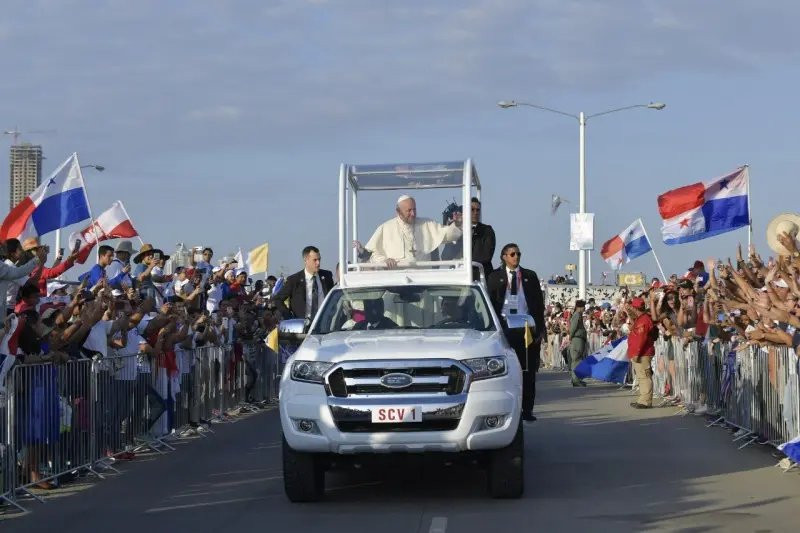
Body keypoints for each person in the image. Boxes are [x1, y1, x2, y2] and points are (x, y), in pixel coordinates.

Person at [486, 243, 546, 423]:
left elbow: (538, 305)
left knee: (527, 371)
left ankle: (527, 409)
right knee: (504, 369)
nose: (516, 257)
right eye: (512, 254)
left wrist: (540, 330)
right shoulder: (495, 277)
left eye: (518, 254)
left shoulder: (529, 276)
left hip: (525, 326)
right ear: (504, 256)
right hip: (504, 327)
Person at [365, 195, 462, 267]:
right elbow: (374, 256)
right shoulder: (385, 228)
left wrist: (456, 224)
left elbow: (447, 235)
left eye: (414, 209)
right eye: (409, 210)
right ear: (398, 212)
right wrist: (385, 260)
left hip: (422, 279)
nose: (413, 213)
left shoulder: (426, 224)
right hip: (396, 280)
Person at [272, 246, 335, 321]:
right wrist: (289, 317)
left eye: (319, 259)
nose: (318, 263)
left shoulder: (327, 276)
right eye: (315, 260)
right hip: (301, 324)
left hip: (324, 323)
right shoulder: (294, 280)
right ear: (306, 260)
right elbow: (278, 299)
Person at [627, 297, 657, 409]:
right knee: (642, 377)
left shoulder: (643, 320)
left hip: (643, 353)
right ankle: (643, 398)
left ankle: (646, 401)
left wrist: (637, 353)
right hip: (641, 352)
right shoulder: (641, 319)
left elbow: (641, 338)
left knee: (644, 376)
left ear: (635, 308)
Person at [568, 299, 588, 387]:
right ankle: (576, 380)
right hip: (577, 339)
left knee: (577, 359)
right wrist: (570, 337)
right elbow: (573, 327)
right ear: (580, 307)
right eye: (584, 306)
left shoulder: (578, 315)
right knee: (577, 360)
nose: (584, 308)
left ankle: (575, 379)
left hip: (578, 339)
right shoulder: (577, 315)